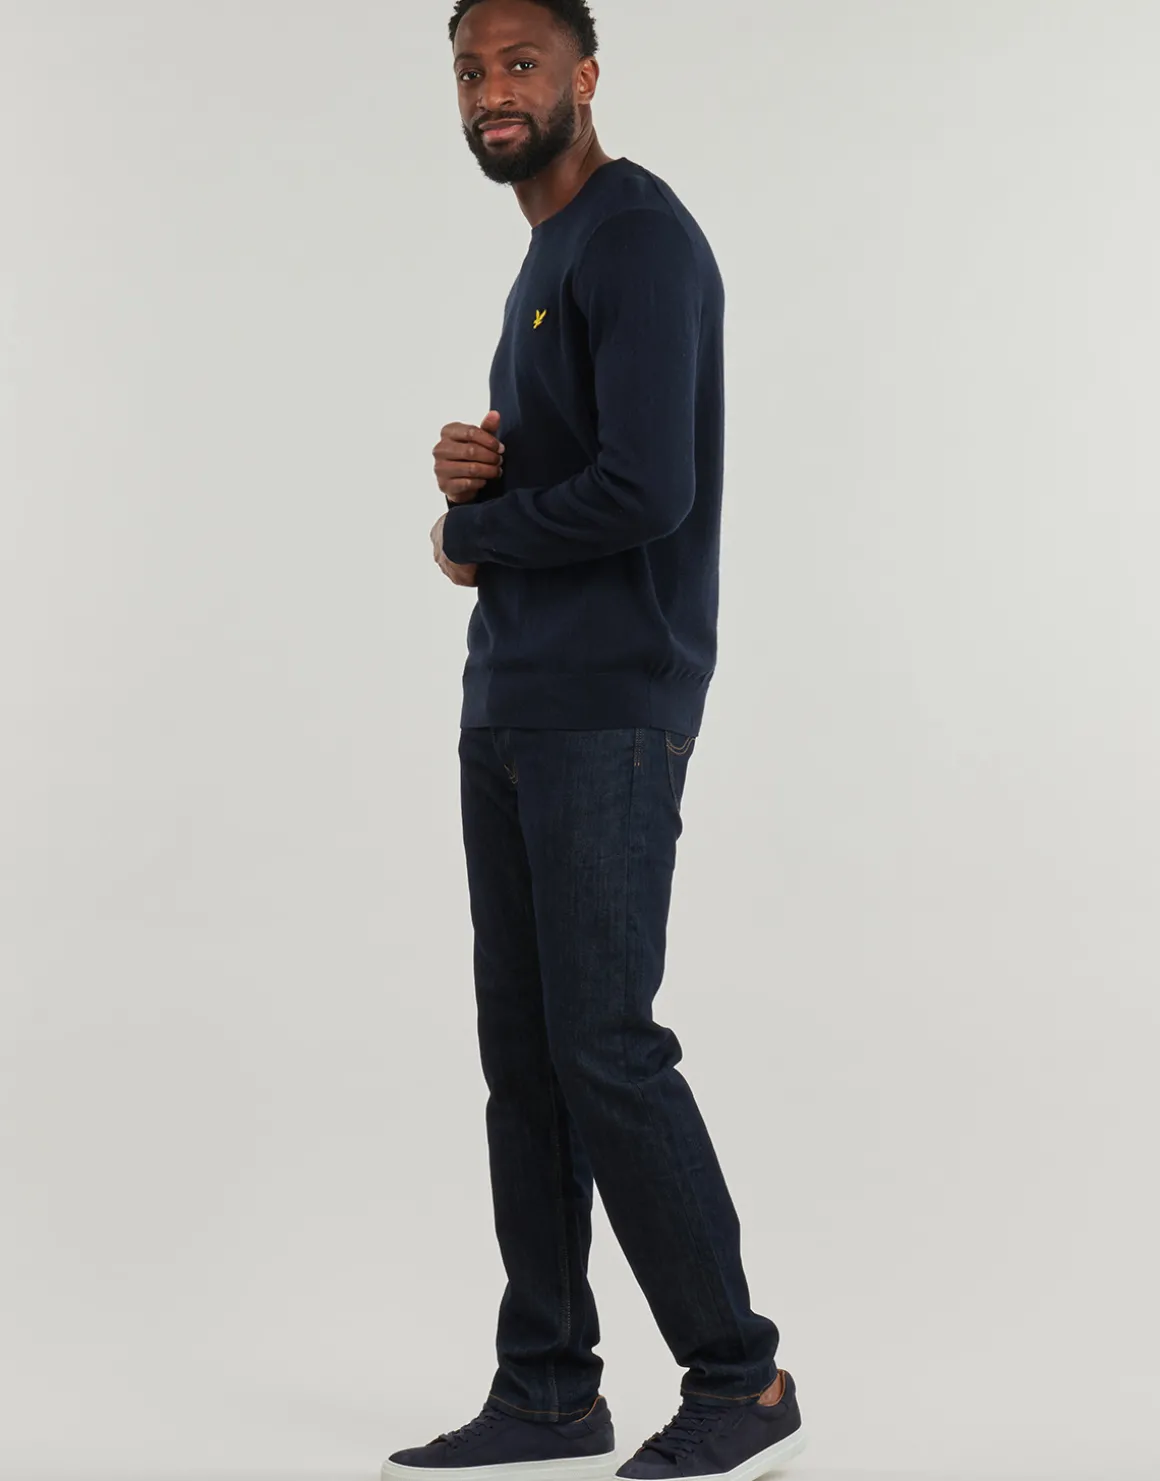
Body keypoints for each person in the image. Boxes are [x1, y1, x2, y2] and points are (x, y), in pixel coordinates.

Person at [384, 3, 807, 1478]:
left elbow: (648, 490)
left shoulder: (635, 237)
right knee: (529, 1063)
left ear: (585, 77)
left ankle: (742, 1378)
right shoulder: (548, 254)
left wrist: (472, 532)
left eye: (520, 64)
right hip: (513, 701)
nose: (491, 91)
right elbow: (575, 467)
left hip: (611, 708)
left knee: (607, 1050)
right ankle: (548, 1389)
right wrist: (483, 475)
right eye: (470, 70)